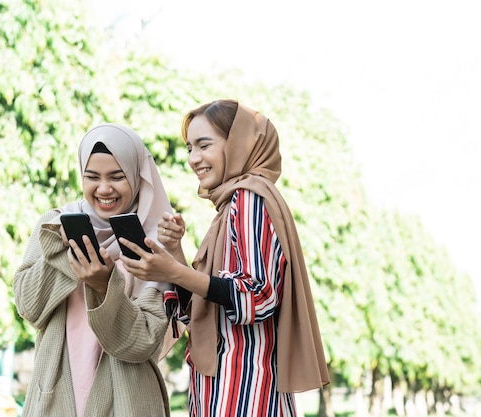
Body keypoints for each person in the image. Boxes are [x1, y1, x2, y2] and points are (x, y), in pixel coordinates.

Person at [119, 99, 330, 416]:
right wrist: (176, 252)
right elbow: (204, 309)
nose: (193, 158)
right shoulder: (229, 208)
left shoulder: (249, 198)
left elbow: (257, 296)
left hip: (245, 390)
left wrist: (174, 273)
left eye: (204, 145)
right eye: (190, 147)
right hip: (221, 390)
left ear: (237, 145)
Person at [14, 123, 174, 417]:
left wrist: (103, 287)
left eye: (117, 177)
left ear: (136, 177)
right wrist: (61, 253)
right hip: (56, 392)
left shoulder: (156, 240)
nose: (103, 189)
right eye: (92, 177)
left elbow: (144, 342)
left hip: (128, 401)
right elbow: (28, 306)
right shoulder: (56, 224)